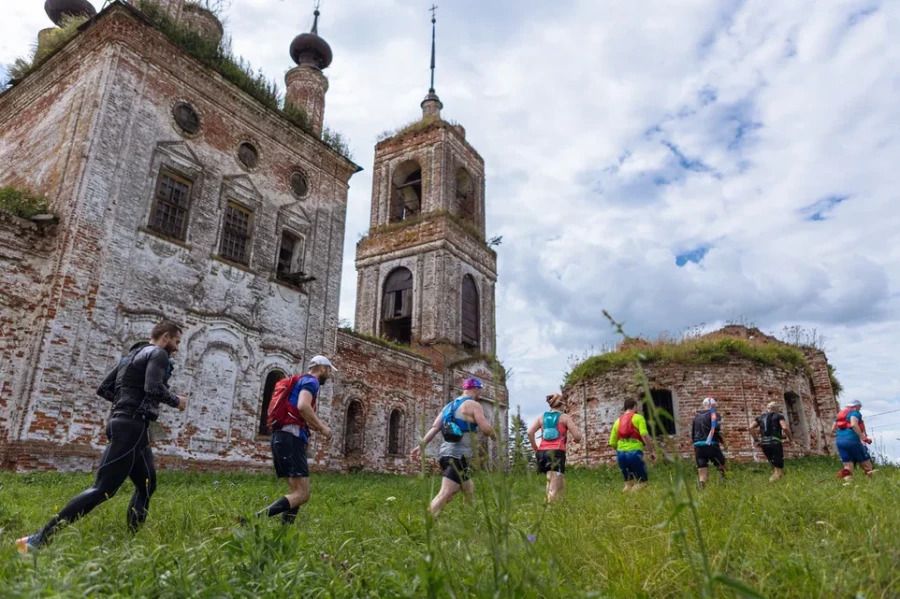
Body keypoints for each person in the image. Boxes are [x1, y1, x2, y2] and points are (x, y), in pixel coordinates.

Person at [16, 320, 188, 553]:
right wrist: (177, 401)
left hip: (130, 425)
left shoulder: (130, 357)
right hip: (132, 427)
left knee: (146, 485)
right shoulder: (158, 354)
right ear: (165, 337)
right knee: (103, 489)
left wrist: (126, 404)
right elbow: (153, 388)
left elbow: (104, 388)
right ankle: (38, 540)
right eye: (176, 341)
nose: (177, 347)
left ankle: (132, 543)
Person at [254, 355, 335, 524]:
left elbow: (299, 411)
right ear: (321, 368)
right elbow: (303, 406)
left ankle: (285, 530)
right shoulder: (311, 382)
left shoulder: (299, 381)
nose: (329, 374)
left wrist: (314, 424)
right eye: (328, 370)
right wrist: (323, 428)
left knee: (296, 491)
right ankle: (254, 519)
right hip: (291, 438)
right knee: (303, 494)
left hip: (281, 437)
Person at [410, 377, 496, 517]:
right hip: (458, 457)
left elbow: (435, 427)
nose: (480, 393)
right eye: (480, 390)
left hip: (446, 454)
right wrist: (494, 435)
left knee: (469, 489)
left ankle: (469, 519)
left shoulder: (448, 406)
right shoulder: (473, 405)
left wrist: (421, 446)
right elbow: (485, 428)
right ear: (475, 389)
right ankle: (426, 520)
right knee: (446, 493)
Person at [528, 393, 583, 502]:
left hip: (542, 453)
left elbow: (530, 432)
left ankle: (561, 505)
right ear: (562, 404)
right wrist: (576, 439)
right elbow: (577, 436)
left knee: (557, 481)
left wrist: (535, 448)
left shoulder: (542, 417)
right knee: (554, 486)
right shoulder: (564, 417)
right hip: (556, 453)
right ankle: (549, 508)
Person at [608, 398, 656, 492]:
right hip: (634, 454)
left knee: (628, 485)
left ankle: (624, 499)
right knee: (642, 482)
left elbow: (612, 443)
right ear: (634, 406)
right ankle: (634, 497)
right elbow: (644, 435)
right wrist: (651, 451)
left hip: (621, 455)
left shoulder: (617, 421)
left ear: (625, 408)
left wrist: (621, 450)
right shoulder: (638, 418)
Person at [832, 399, 874, 481]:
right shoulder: (855, 413)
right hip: (852, 440)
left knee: (847, 466)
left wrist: (841, 435)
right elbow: (854, 424)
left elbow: (833, 429)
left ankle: (848, 484)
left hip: (840, 441)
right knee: (867, 464)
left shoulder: (840, 415)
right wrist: (863, 437)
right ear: (856, 406)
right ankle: (871, 483)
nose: (860, 409)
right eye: (860, 407)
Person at [750, 401, 793, 481]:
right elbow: (784, 428)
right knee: (778, 466)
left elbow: (751, 427)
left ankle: (779, 480)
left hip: (764, 443)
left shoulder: (760, 417)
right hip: (775, 443)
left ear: (767, 408)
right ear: (777, 409)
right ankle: (772, 481)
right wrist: (791, 439)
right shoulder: (779, 416)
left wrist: (756, 440)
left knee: (773, 463)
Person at [691, 397, 726, 488]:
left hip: (698, 446)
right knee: (721, 465)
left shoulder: (696, 417)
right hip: (711, 444)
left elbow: (693, 433)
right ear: (713, 405)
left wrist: (695, 445)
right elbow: (715, 429)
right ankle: (722, 484)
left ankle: (701, 488)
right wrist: (722, 441)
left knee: (702, 472)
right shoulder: (713, 414)